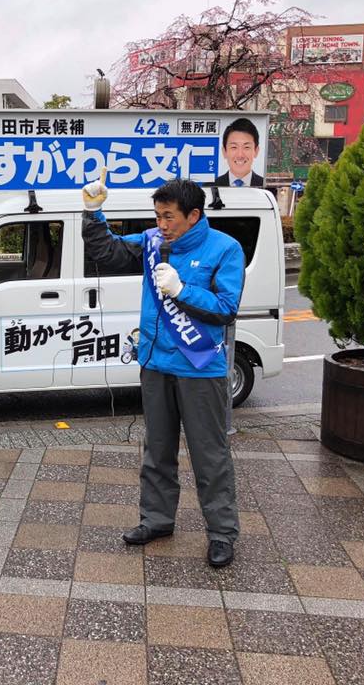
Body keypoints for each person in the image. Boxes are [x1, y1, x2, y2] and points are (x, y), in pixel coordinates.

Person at [81, 173, 244, 567]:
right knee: (157, 449)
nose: (162, 225)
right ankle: (156, 520)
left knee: (209, 455)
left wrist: (182, 290)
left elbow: (226, 308)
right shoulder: (153, 242)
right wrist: (93, 213)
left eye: (169, 216)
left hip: (200, 368)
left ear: (193, 215)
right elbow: (109, 252)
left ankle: (221, 533)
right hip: (155, 363)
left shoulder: (225, 248)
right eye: (157, 216)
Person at [214, 117, 263, 187]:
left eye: (246, 147)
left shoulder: (264, 186)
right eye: (234, 147)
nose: (240, 155)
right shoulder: (210, 185)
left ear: (256, 151)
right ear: (224, 151)